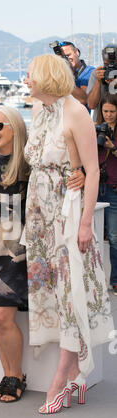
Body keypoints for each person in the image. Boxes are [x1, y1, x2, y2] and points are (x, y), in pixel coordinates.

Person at [0, 106, 85, 403]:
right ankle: (8, 374)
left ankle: (16, 375)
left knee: (4, 315)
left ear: (15, 128)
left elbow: (60, 175)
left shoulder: (30, 164)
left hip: (16, 252)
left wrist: (80, 174)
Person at [24, 54, 114, 414]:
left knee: (70, 292)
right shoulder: (36, 109)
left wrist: (85, 223)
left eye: (30, 75)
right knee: (51, 290)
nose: (25, 80)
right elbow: (34, 158)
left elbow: (92, 171)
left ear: (45, 77)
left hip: (67, 211)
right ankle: (76, 372)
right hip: (40, 214)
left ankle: (62, 378)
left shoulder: (75, 112)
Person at [96, 93, 117, 295]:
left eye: (112, 111)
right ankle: (93, 280)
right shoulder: (96, 129)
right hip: (97, 186)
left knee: (114, 236)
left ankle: (115, 280)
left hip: (113, 188)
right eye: (105, 112)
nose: (109, 116)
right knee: (91, 234)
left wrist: (113, 147)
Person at [59, 41, 94, 109]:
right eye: (63, 57)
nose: (66, 59)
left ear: (76, 52)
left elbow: (83, 100)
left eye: (68, 55)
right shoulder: (60, 74)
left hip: (82, 118)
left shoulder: (90, 72)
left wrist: (65, 78)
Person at [87, 44, 117, 121]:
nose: (110, 67)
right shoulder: (97, 73)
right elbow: (91, 105)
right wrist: (98, 81)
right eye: (106, 64)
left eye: (113, 64)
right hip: (100, 122)